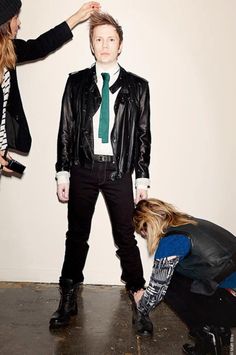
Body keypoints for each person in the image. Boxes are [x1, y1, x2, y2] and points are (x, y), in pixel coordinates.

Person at [49, 12, 152, 330]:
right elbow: (65, 128)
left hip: (118, 171)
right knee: (76, 235)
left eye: (111, 39)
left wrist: (142, 175)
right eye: (98, 39)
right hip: (82, 168)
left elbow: (143, 135)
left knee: (126, 237)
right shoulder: (76, 82)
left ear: (120, 45)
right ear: (91, 45)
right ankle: (68, 295)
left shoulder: (137, 87)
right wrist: (62, 172)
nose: (104, 45)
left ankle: (138, 296)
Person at [0, 0, 100, 174]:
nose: (20, 23)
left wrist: (77, 17)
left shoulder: (7, 51)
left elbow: (39, 46)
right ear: (4, 22)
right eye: (16, 17)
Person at [133, 198, 236, 354]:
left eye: (143, 233)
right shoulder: (194, 223)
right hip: (231, 295)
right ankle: (221, 331)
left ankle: (207, 338)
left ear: (146, 226)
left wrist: (140, 302)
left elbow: (156, 293)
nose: (145, 237)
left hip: (232, 305)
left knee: (169, 287)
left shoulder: (171, 242)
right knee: (178, 275)